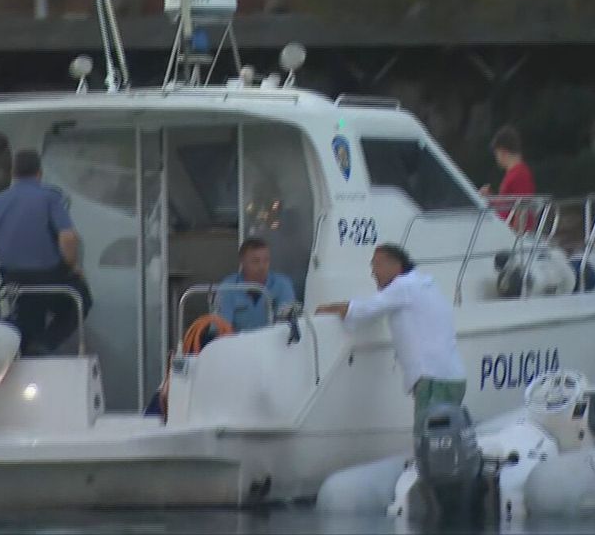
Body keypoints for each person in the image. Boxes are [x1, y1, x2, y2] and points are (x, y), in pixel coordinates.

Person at [315, 244, 467, 442]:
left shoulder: (404, 286)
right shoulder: (424, 283)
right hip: (450, 377)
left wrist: (326, 309)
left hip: (434, 381)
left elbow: (365, 308)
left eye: (376, 265)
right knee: (442, 442)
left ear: (395, 266)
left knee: (429, 442)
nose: (373, 272)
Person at [0, 150, 92, 356]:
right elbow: (68, 236)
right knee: (81, 300)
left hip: (14, 280)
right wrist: (72, 265)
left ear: (13, 173)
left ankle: (20, 348)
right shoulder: (50, 198)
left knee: (29, 314)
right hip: (49, 277)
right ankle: (45, 344)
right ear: (39, 173)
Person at [212, 237, 298, 332]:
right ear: (242, 261)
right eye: (255, 261)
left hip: (273, 339)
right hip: (238, 340)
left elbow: (287, 326)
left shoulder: (282, 284)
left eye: (266, 260)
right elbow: (220, 329)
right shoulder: (228, 287)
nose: (262, 266)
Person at [479, 125, 537, 234]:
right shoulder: (515, 173)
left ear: (502, 151)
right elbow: (507, 205)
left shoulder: (519, 174)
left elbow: (521, 208)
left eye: (496, 154)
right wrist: (490, 198)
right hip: (504, 230)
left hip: (511, 234)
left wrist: (514, 237)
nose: (497, 158)